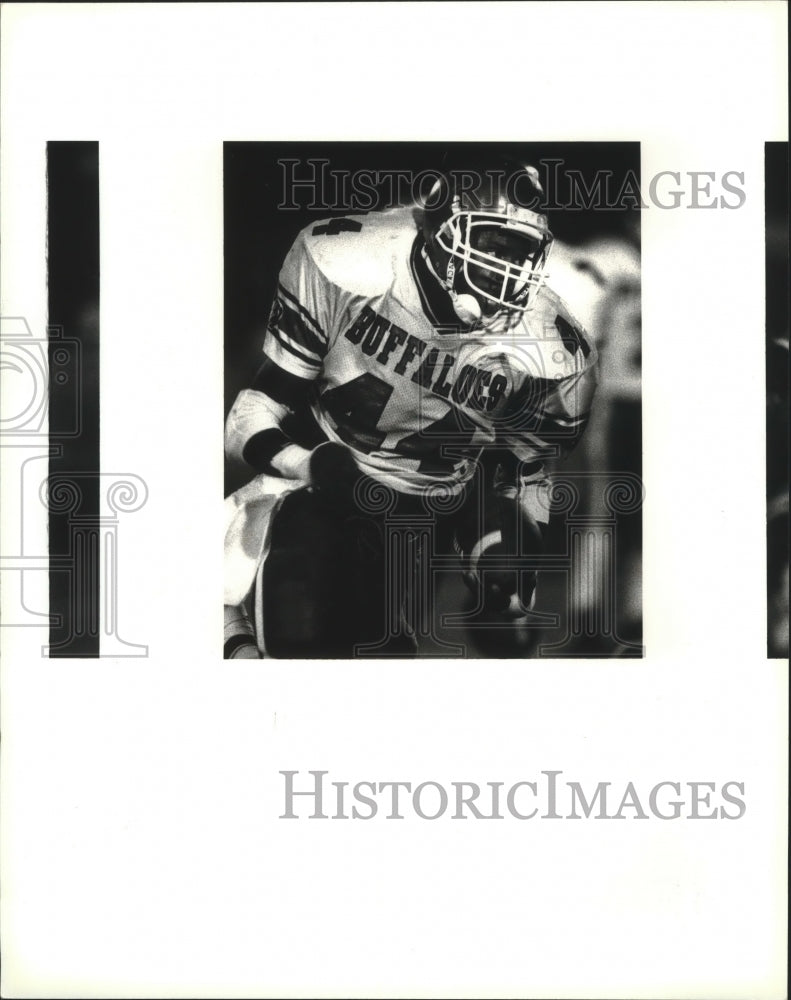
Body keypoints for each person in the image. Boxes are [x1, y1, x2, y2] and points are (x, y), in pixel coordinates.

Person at [224, 157, 598, 658]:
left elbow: (523, 471)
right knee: (295, 639)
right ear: (438, 228)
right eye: (490, 244)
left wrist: (512, 566)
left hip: (427, 512)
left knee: (386, 655)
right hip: (319, 490)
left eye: (519, 251)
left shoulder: (553, 345)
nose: (506, 269)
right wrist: (312, 464)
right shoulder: (349, 262)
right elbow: (251, 414)